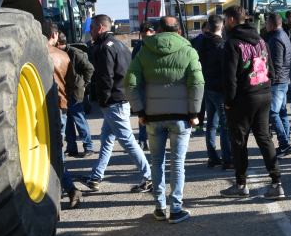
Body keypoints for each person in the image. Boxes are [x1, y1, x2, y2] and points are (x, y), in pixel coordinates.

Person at [125, 16, 204, 224]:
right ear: (178, 31)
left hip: (153, 117)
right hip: (181, 118)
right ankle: (176, 208)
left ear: (158, 30)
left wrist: (140, 111)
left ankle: (159, 207)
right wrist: (194, 113)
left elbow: (130, 83)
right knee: (177, 163)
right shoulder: (188, 50)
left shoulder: (144, 51)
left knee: (156, 162)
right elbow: (197, 83)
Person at [219, 6, 284, 199]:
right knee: (264, 138)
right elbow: (271, 70)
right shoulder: (261, 40)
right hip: (263, 93)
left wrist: (228, 101)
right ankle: (277, 182)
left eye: (225, 20)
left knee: (239, 142)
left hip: (243, 98)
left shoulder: (232, 43)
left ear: (231, 20)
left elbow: (229, 78)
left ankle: (240, 185)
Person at [84, 14, 152, 192]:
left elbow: (106, 77)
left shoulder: (105, 48)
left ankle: (149, 176)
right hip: (119, 98)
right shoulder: (120, 45)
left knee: (127, 140)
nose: (90, 32)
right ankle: (96, 177)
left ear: (100, 28)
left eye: (91, 28)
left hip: (114, 101)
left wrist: (103, 100)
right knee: (107, 139)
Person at [46, 24, 82, 208]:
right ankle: (64, 188)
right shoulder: (63, 55)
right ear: (54, 34)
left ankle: (68, 188)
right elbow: (72, 83)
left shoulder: (34, 53)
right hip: (61, 106)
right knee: (57, 149)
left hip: (43, 108)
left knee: (53, 152)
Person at [197, 14, 233, 169]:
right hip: (219, 88)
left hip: (207, 86)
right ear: (222, 26)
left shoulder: (200, 42)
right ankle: (227, 158)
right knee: (225, 125)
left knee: (211, 123)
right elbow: (226, 69)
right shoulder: (221, 45)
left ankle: (212, 157)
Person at [58, 32, 95, 158]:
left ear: (59, 43)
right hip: (65, 91)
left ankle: (88, 147)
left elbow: (89, 68)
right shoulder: (61, 53)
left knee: (79, 119)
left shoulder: (75, 53)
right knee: (68, 121)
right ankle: (71, 148)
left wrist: (84, 84)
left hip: (75, 91)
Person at [265, 12, 291, 157]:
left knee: (273, 112)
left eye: (266, 22)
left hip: (278, 82)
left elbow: (276, 64)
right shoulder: (284, 35)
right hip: (284, 79)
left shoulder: (275, 39)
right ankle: (286, 142)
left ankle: (284, 144)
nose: (265, 25)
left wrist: (270, 79)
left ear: (271, 24)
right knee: (282, 112)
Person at [132, 21, 156, 150]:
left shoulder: (159, 46)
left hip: (156, 85)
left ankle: (156, 139)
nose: (147, 38)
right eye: (145, 35)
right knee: (143, 114)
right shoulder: (138, 47)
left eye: (149, 34)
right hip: (143, 85)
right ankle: (142, 139)